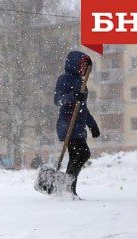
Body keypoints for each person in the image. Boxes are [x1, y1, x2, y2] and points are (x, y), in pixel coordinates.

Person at [54, 50, 100, 197]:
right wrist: (72, 96)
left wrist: (92, 124)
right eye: (84, 66)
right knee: (82, 154)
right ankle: (68, 188)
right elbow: (58, 100)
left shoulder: (82, 83)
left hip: (78, 126)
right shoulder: (64, 79)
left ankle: (68, 189)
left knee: (77, 156)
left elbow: (83, 109)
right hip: (68, 124)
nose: (86, 70)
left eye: (88, 67)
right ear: (76, 65)